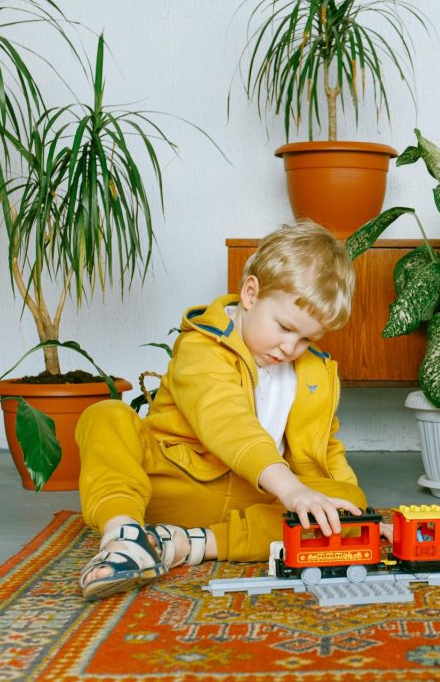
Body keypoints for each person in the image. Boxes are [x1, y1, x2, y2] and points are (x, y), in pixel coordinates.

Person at [77, 220, 368, 601]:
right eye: (283, 327)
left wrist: (359, 517)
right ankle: (126, 534)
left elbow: (325, 447)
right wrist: (293, 491)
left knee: (348, 506)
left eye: (307, 338)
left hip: (254, 499)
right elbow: (229, 424)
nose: (290, 347)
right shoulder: (201, 347)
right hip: (177, 483)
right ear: (250, 294)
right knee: (105, 416)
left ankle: (186, 544)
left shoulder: (314, 371)